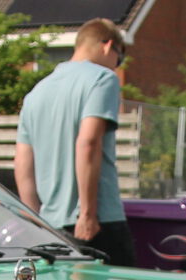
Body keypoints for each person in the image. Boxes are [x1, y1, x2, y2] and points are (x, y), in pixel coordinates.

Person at [13, 19, 132, 264]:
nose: (116, 66)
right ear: (108, 46)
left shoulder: (37, 92)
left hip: (52, 227)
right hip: (96, 223)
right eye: (119, 59)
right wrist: (87, 215)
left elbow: (23, 163)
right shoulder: (103, 79)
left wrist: (35, 224)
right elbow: (88, 143)